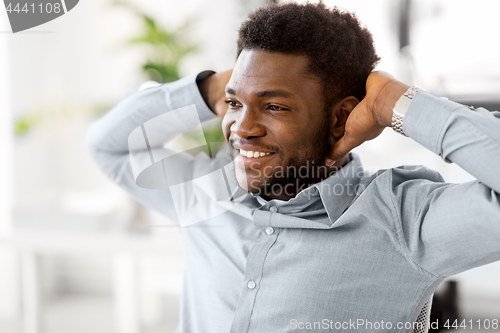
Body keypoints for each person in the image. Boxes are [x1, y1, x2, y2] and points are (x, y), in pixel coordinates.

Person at [86, 2, 500, 332]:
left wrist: (393, 102)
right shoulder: (206, 191)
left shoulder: (406, 221)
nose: (241, 128)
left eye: (274, 106)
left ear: (340, 118)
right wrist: (211, 88)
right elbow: (109, 147)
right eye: (235, 104)